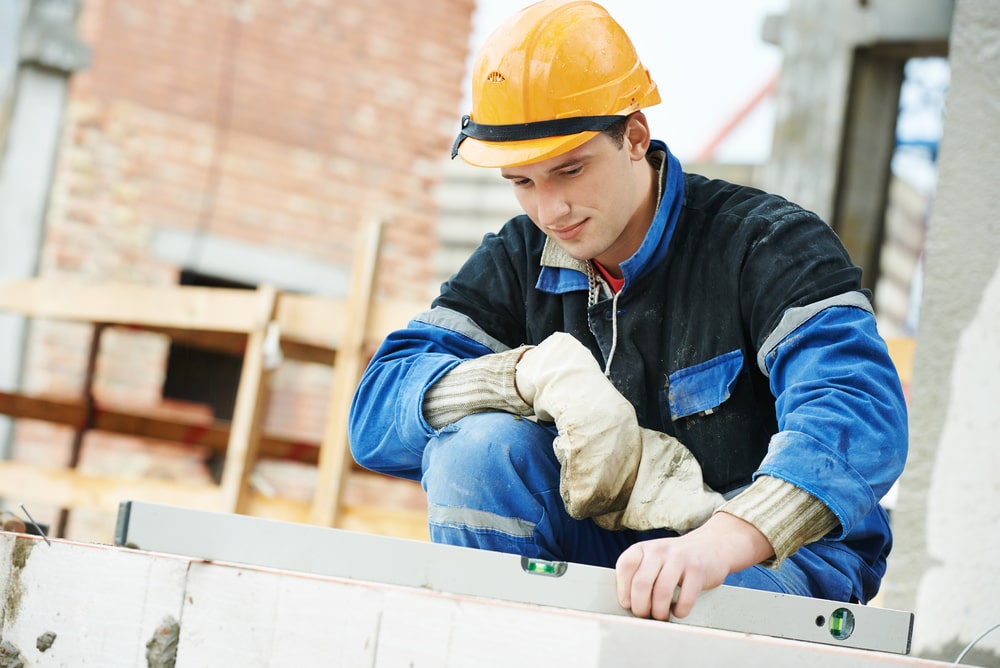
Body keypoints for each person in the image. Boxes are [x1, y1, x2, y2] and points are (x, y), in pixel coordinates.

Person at [348, 0, 907, 621]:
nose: (551, 210)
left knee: (683, 605)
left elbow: (859, 417)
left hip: (766, 562)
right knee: (475, 451)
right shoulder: (518, 256)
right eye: (523, 182)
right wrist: (522, 376)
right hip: (607, 543)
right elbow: (375, 417)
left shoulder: (766, 243)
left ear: (635, 136)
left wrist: (717, 541)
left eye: (570, 169)